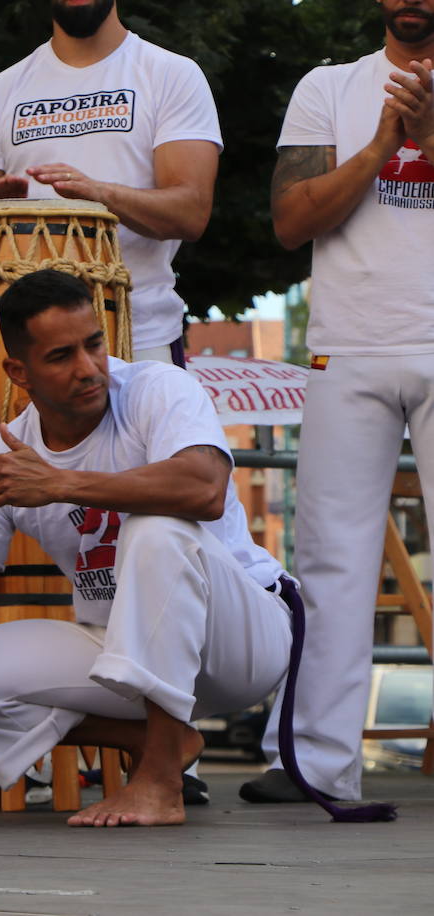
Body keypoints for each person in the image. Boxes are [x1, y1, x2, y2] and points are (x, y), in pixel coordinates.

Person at [0, 269, 292, 827]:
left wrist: (61, 484)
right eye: (62, 356)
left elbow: (203, 490)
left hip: (239, 641)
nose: (89, 369)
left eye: (94, 345)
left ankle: (161, 784)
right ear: (20, 372)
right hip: (123, 648)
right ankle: (158, 740)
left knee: (156, 528)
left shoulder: (158, 388)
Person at [241, 0, 434, 805]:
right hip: (345, 345)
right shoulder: (329, 87)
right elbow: (292, 219)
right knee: (329, 556)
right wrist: (385, 144)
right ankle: (315, 760)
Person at [0, 0, 220, 367]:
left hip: (139, 335)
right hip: (27, 346)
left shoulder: (171, 74)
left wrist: (100, 195)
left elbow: (190, 212)